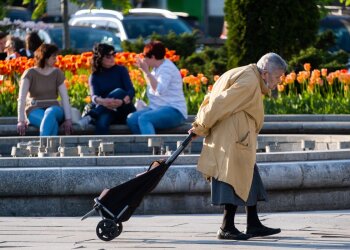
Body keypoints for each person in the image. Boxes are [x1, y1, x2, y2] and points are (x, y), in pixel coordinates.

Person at [189, 53, 287, 240]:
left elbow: (211, 97)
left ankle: (253, 223)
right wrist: (200, 126)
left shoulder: (245, 73)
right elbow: (219, 103)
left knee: (249, 176)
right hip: (232, 140)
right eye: (277, 77)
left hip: (236, 138)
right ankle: (226, 227)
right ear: (265, 73)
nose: (278, 82)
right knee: (232, 179)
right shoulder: (250, 81)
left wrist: (201, 124)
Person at [126, 41, 187, 134]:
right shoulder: (156, 68)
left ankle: (153, 147)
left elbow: (159, 90)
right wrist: (144, 70)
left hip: (175, 111)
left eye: (145, 57)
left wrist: (146, 72)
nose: (144, 60)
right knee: (132, 119)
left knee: (144, 119)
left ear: (153, 57)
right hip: (157, 108)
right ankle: (143, 145)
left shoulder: (167, 68)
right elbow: (151, 86)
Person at [78, 43, 136, 135]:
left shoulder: (121, 70)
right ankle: (99, 148)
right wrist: (104, 101)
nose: (112, 58)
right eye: (108, 56)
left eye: (113, 55)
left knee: (119, 92)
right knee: (102, 122)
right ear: (100, 59)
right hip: (107, 110)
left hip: (125, 108)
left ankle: (91, 115)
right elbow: (94, 97)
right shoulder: (95, 76)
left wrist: (122, 102)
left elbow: (131, 91)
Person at [17, 43, 73, 136]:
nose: (56, 60)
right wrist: (21, 121)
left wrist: (68, 119)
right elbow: (21, 98)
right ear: (45, 58)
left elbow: (65, 98)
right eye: (54, 57)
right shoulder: (30, 73)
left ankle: (42, 148)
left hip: (55, 109)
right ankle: (49, 149)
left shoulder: (57, 73)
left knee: (50, 112)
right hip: (34, 109)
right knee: (52, 124)